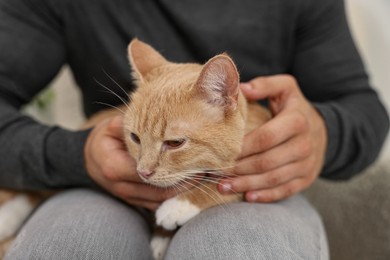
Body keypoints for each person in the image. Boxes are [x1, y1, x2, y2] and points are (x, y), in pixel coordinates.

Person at [0, 0, 388, 259]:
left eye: (173, 143)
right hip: (103, 183)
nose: (146, 168)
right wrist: (75, 156)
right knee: (68, 246)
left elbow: (365, 108)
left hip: (246, 186)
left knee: (240, 250)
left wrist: (324, 131)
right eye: (139, 139)